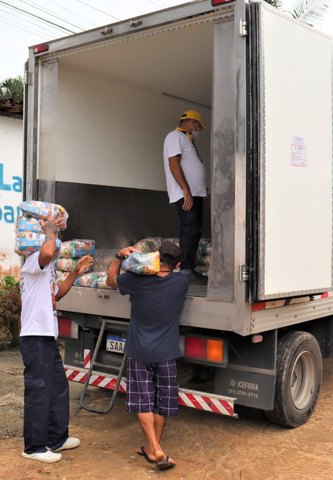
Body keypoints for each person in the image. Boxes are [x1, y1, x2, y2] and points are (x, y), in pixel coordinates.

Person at [105, 241, 189, 471]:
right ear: (178, 264)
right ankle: (153, 448)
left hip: (139, 350)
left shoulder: (136, 280)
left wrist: (119, 256)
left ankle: (154, 448)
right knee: (162, 402)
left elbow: (109, 280)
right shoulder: (182, 282)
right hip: (166, 352)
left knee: (143, 400)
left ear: (155, 257)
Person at [19, 212, 93, 464]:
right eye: (52, 236)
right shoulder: (31, 261)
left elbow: (56, 295)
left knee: (58, 387)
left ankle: (56, 438)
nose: (56, 238)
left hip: (46, 335)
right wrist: (50, 229)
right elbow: (48, 252)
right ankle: (34, 447)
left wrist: (75, 272)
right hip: (34, 335)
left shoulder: (47, 268)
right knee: (39, 391)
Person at [163, 109, 208, 285]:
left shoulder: (187, 140)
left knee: (195, 230)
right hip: (185, 195)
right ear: (191, 122)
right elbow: (173, 163)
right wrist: (186, 191)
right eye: (197, 126)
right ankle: (185, 271)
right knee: (189, 229)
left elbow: (191, 168)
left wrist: (202, 188)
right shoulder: (174, 136)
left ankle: (190, 268)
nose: (197, 129)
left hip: (195, 193)